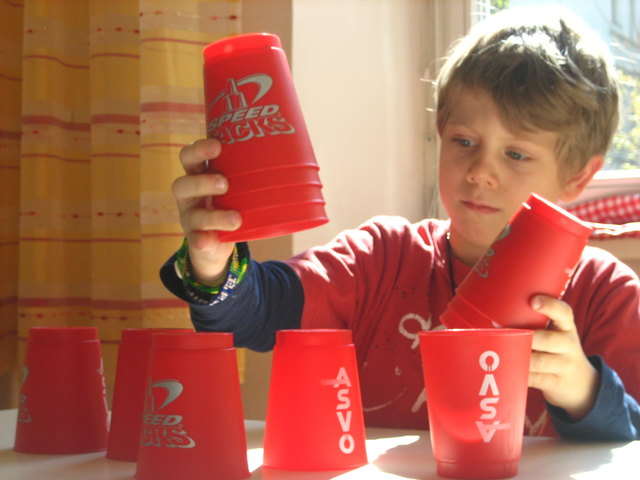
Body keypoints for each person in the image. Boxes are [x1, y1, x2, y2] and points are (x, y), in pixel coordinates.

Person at [161, 7, 640, 440]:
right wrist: (211, 264)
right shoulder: (383, 259)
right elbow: (255, 314)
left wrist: (584, 390)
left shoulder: (606, 293)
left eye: (516, 154)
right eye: (464, 142)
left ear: (579, 176)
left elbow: (631, 442)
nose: (479, 172)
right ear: (439, 134)